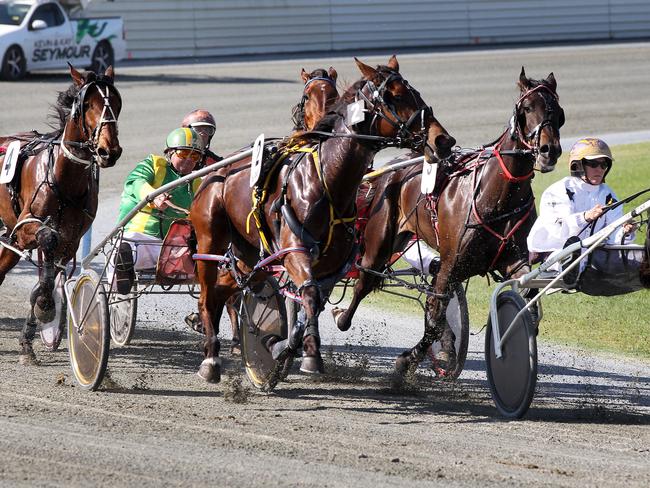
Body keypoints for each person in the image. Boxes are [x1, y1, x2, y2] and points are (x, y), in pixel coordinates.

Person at [111, 127, 204, 294]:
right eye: (183, 153)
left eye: (195, 156)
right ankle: (122, 272)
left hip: (173, 249)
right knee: (127, 247)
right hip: (139, 238)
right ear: (170, 153)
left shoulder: (196, 183)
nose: (189, 159)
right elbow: (135, 182)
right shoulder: (154, 165)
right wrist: (153, 196)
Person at [527, 137, 637, 275]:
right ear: (578, 165)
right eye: (593, 164)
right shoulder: (558, 190)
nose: (599, 169)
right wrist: (585, 217)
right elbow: (558, 230)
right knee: (574, 258)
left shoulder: (607, 194)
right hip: (556, 251)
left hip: (593, 252)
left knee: (642, 255)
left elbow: (613, 235)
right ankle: (571, 269)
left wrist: (625, 231)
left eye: (604, 165)